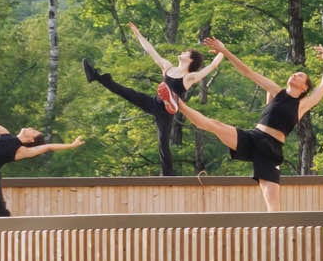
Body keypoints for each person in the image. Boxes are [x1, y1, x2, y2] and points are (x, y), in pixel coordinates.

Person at [161, 35, 323, 212]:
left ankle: (277, 234)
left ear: (304, 88)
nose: (294, 74)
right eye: (295, 73)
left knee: (273, 205)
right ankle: (177, 103)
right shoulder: (276, 91)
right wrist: (224, 51)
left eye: (300, 75)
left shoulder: (301, 105)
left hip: (271, 150)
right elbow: (247, 71)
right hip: (253, 137)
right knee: (214, 125)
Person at [81, 27, 224, 177]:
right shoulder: (168, 67)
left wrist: (222, 51)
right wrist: (139, 35)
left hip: (165, 112)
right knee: (126, 92)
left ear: (190, 59)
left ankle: (168, 175)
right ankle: (96, 76)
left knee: (163, 143)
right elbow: (151, 51)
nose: (182, 53)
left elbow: (212, 66)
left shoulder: (189, 77)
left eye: (185, 53)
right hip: (154, 103)